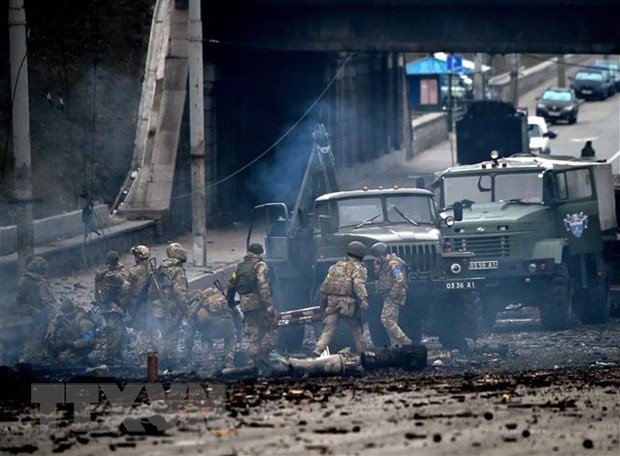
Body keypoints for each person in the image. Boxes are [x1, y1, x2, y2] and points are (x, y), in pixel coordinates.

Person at [226, 243, 278, 375]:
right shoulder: (260, 265)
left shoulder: (239, 267)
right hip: (258, 302)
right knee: (271, 327)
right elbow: (263, 285)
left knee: (253, 331)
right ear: (260, 253)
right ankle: (264, 356)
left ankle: (256, 359)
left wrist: (230, 302)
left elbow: (231, 285)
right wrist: (269, 305)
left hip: (245, 304)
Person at [313, 241, 369, 357]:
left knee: (328, 330)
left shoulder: (335, 266)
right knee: (356, 328)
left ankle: (318, 350)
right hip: (347, 303)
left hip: (332, 301)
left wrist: (323, 300)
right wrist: (364, 300)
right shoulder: (358, 268)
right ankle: (363, 353)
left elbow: (326, 284)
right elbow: (359, 285)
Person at [147, 242, 190, 368]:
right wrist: (187, 311)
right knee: (172, 335)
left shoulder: (160, 268)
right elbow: (180, 293)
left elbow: (151, 291)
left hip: (158, 308)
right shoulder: (177, 270)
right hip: (172, 308)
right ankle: (172, 363)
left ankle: (160, 362)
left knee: (162, 334)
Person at [14, 256, 56, 362]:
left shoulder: (29, 280)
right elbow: (20, 302)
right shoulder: (28, 281)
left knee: (43, 337)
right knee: (36, 339)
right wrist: (33, 310)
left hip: (41, 313)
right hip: (35, 315)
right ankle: (26, 359)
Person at [371, 242, 412, 347]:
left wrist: (392, 295)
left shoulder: (393, 264)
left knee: (386, 319)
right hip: (389, 294)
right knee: (392, 320)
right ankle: (397, 344)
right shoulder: (385, 264)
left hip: (394, 294)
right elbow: (383, 277)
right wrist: (377, 268)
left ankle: (405, 341)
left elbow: (400, 279)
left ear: (380, 255)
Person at [188, 286, 237, 372]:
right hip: (227, 326)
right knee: (230, 337)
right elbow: (236, 316)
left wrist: (189, 345)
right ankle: (229, 360)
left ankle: (209, 359)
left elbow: (192, 321)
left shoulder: (199, 303)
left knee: (204, 337)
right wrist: (239, 335)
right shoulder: (223, 300)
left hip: (211, 329)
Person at [94, 250, 129, 363]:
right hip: (111, 307)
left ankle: (118, 355)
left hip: (108, 305)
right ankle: (110, 357)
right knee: (115, 332)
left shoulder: (101, 270)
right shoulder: (110, 274)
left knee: (121, 332)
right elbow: (125, 279)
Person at [45, 298, 96, 366]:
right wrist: (51, 333)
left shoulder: (83, 321)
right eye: (64, 313)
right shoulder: (62, 317)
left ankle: (82, 359)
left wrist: (71, 344)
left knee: (64, 360)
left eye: (67, 313)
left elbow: (89, 339)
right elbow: (53, 323)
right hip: (69, 341)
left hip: (81, 347)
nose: (65, 315)